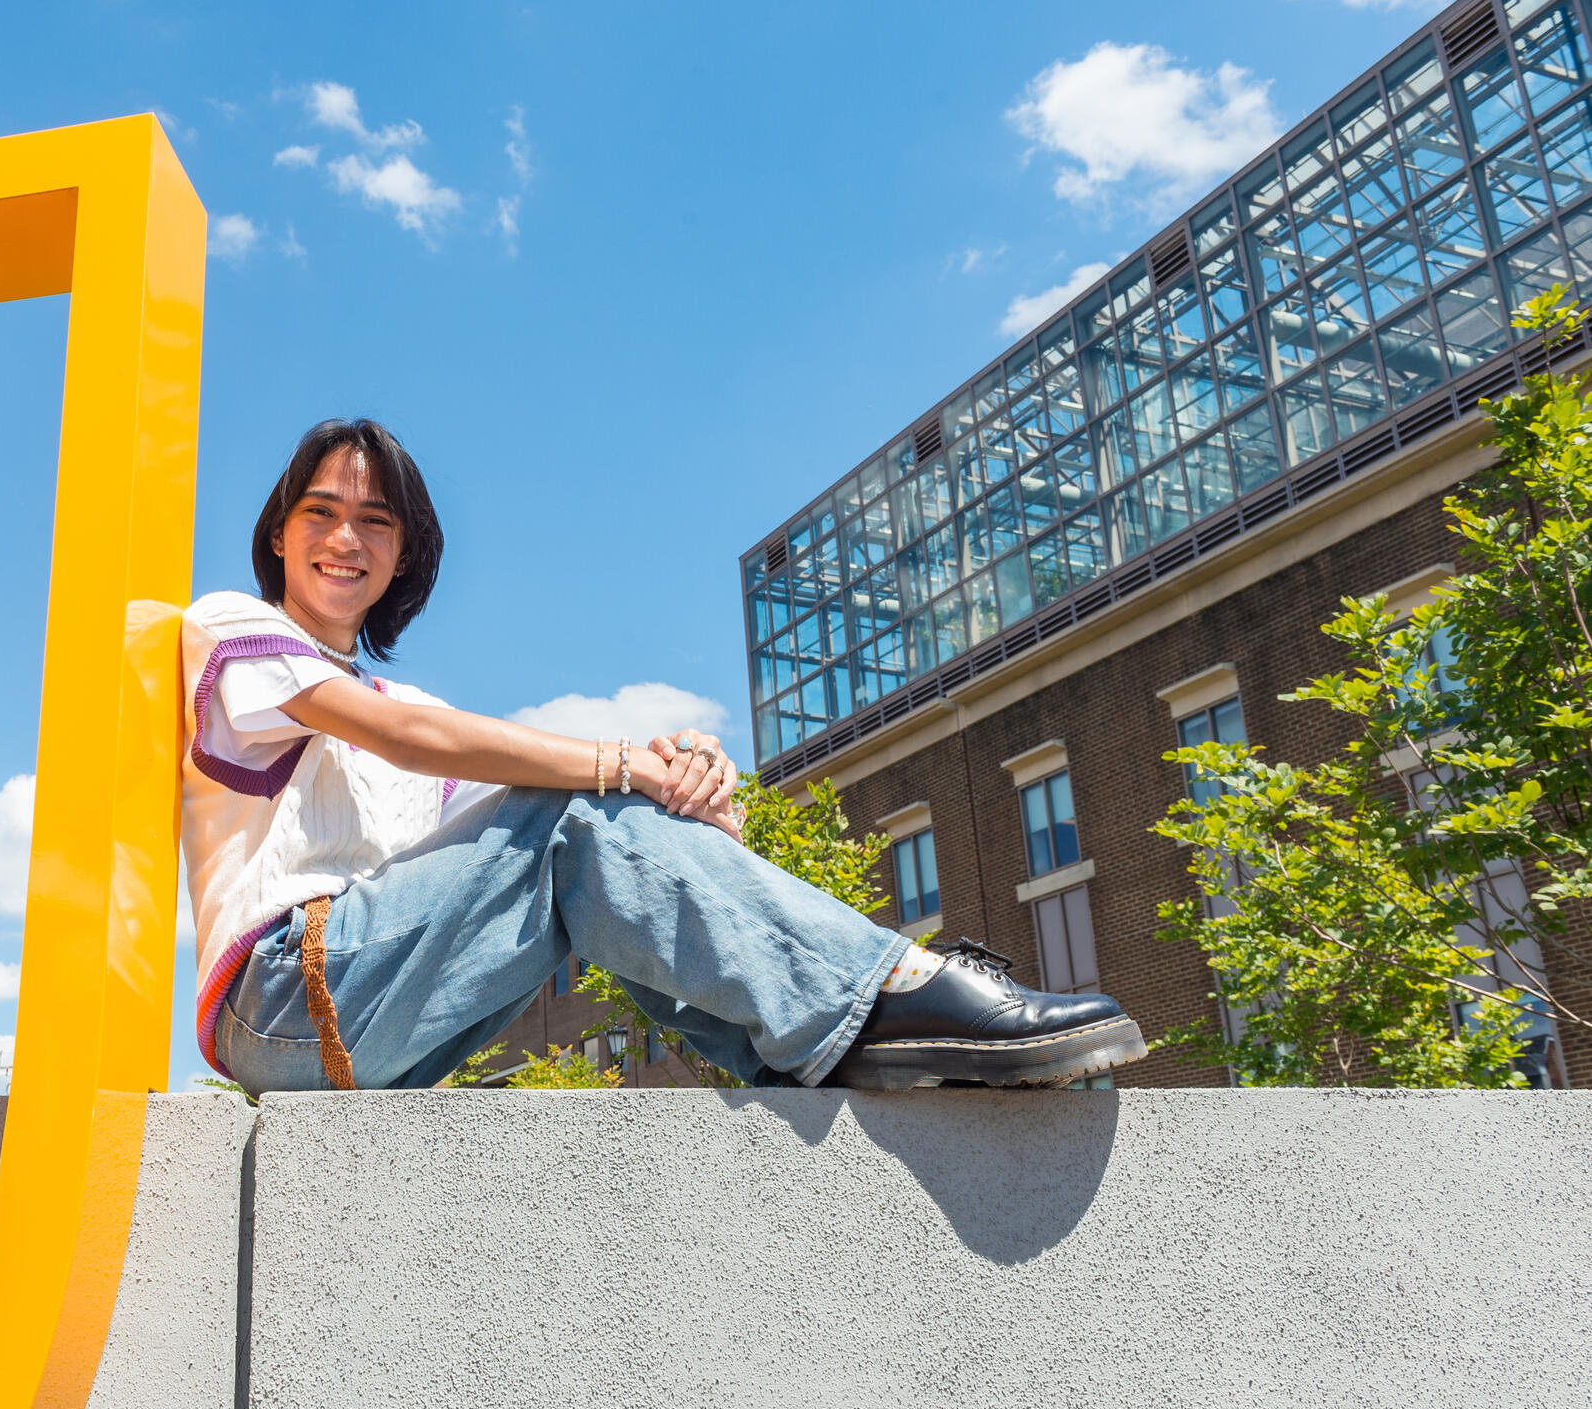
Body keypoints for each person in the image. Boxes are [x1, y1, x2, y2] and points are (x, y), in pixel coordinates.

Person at [182, 418, 1146, 1095]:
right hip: (279, 999)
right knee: (581, 811)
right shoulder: (232, 626)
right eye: (321, 513)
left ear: (403, 555)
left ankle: (820, 1054)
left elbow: (556, 837)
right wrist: (624, 766)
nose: (345, 538)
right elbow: (403, 738)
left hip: (380, 1014)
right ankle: (885, 994)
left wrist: (685, 797)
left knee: (598, 847)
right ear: (279, 533)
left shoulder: (414, 706)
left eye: (376, 522)